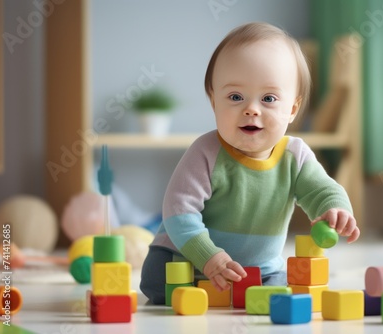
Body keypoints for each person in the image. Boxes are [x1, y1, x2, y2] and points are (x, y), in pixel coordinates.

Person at [140, 22, 360, 305]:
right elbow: (178, 212)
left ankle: (237, 288)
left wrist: (336, 209)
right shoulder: (206, 152)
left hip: (260, 268)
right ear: (213, 101)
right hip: (187, 258)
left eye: (269, 98)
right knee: (157, 282)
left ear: (292, 109)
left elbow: (322, 190)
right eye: (235, 97)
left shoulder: (295, 156)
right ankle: (201, 282)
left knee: (279, 295)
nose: (251, 109)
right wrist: (209, 257)